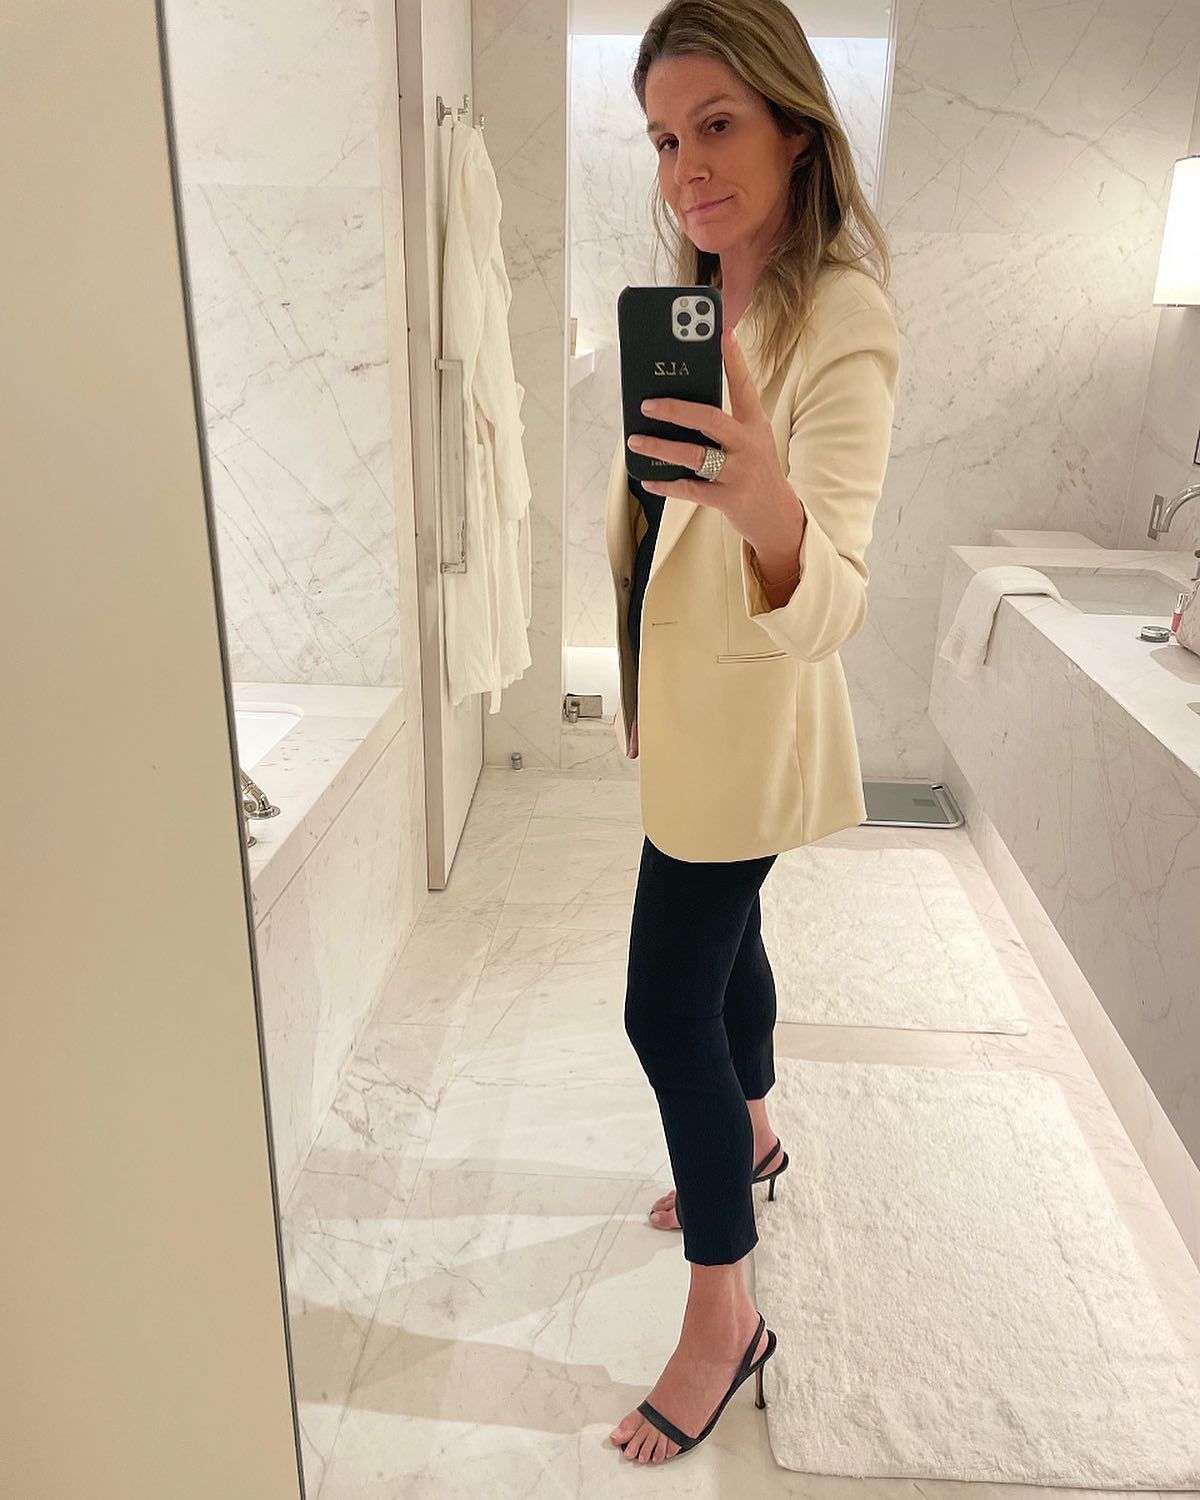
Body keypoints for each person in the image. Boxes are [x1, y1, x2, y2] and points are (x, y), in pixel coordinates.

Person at [604, 0, 901, 1466]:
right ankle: (759, 1132)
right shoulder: (708, 297)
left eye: (716, 125)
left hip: (753, 719)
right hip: (697, 712)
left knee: (664, 1011)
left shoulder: (842, 314)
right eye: (665, 139)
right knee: (727, 960)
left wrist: (768, 500)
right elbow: (658, 530)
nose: (686, 169)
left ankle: (726, 1317)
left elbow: (832, 594)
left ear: (796, 126)